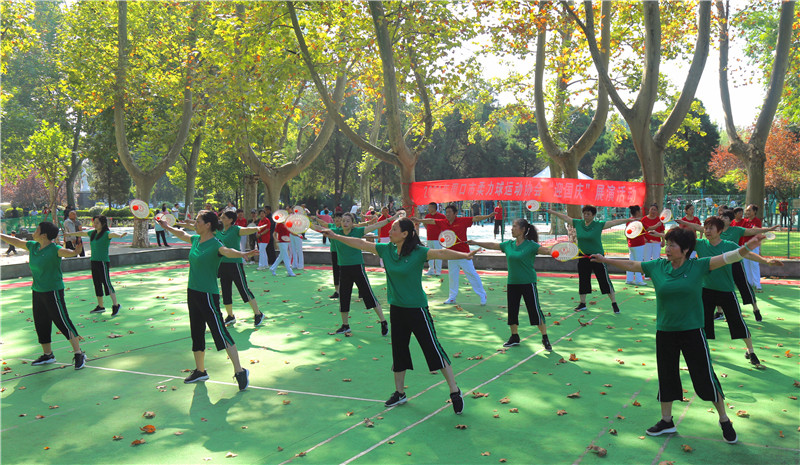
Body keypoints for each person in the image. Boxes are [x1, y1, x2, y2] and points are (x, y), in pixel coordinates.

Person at [591, 228, 768, 445]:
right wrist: (604, 260)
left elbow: (728, 257)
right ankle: (667, 421)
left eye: (672, 245)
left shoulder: (698, 266)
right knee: (667, 375)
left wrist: (748, 247)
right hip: (665, 331)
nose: (667, 248)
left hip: (693, 331)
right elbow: (632, 265)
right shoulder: (658, 266)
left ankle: (724, 419)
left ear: (685, 250)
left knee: (705, 377)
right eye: (667, 244)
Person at [318, 217, 480, 415]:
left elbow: (441, 252)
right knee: (399, 351)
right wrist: (335, 236)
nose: (390, 231)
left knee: (433, 350)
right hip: (396, 309)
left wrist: (465, 255)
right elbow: (360, 243)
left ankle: (454, 391)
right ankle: (400, 393)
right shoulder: (387, 250)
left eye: (394, 229)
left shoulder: (418, 252)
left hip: (417, 309)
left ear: (405, 234)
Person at [157, 211, 256, 390]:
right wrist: (167, 226)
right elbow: (182, 234)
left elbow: (228, 252)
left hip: (208, 295)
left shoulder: (216, 244)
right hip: (192, 292)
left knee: (220, 332)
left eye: (198, 221)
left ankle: (240, 371)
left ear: (208, 224)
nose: (195, 224)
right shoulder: (196, 240)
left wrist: (243, 253)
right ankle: (200, 371)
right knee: (196, 331)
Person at [691, 217, 781, 367]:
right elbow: (679, 241)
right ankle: (702, 352)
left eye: (711, 228)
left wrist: (766, 261)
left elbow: (747, 254)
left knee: (737, 322)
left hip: (726, 291)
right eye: (705, 228)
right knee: (702, 323)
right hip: (706, 291)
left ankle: (751, 351)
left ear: (720, 231)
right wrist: (660, 235)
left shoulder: (729, 245)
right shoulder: (699, 244)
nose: (707, 231)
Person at [0, 222, 87, 369]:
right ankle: (48, 355)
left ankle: (79, 353)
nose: (33, 232)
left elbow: (67, 252)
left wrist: (74, 252)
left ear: (44, 235)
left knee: (62, 321)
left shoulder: (55, 249)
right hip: (37, 291)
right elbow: (16, 241)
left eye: (37, 230)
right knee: (41, 323)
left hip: (53, 291)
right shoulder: (33, 246)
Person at [469, 218, 554, 350]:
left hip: (528, 283)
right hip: (512, 283)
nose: (512, 228)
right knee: (512, 311)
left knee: (535, 311)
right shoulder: (508, 244)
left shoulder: (531, 245)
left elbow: (546, 251)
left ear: (523, 229)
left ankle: (545, 337)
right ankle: (514, 336)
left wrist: (558, 251)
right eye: (512, 226)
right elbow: (493, 245)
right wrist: (475, 242)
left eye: (514, 226)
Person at [678, 211, 777, 321]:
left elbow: (751, 237)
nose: (722, 218)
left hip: (734, 262)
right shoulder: (706, 235)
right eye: (721, 216)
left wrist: (766, 259)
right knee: (713, 285)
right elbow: (694, 230)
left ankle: (755, 308)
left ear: (730, 220)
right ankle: (720, 312)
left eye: (725, 217)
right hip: (712, 274)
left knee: (743, 286)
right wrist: (682, 223)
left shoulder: (734, 232)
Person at [547, 205, 629, 313]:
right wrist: (553, 212)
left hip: (598, 257)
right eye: (584, 213)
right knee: (583, 280)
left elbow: (614, 222)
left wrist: (629, 220)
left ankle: (614, 303)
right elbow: (566, 218)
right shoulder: (578, 223)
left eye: (588, 214)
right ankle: (582, 304)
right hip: (583, 256)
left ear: (593, 215)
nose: (586, 216)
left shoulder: (599, 225)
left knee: (604, 280)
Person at [325, 212, 397, 335]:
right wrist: (305, 222)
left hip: (357, 268)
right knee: (344, 297)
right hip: (344, 269)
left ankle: (383, 321)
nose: (345, 223)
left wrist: (391, 219)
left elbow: (376, 225)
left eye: (348, 221)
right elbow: (319, 227)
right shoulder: (335, 232)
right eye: (343, 220)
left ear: (352, 223)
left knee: (368, 295)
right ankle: (345, 325)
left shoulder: (357, 231)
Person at [417, 204, 495, 305]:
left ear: (455, 213)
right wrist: (418, 220)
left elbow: (476, 218)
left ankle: (482, 295)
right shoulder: (443, 222)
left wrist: (488, 216)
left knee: (472, 274)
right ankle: (452, 297)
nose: (447, 214)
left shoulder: (462, 221)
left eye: (450, 212)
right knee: (452, 276)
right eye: (446, 212)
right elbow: (431, 221)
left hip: (464, 254)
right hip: (451, 255)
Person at [217, 211, 268, 328]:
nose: (221, 219)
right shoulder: (219, 229)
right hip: (222, 264)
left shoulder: (235, 229)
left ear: (231, 220)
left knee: (243, 289)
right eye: (221, 217)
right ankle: (230, 316)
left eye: (224, 217)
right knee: (225, 291)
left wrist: (257, 228)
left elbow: (247, 230)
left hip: (235, 264)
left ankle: (258, 314)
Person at [70, 215, 127, 315]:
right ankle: (100, 306)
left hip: (103, 262)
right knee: (97, 284)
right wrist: (69, 234)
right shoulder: (93, 233)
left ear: (103, 224)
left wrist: (120, 236)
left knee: (106, 283)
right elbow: (82, 233)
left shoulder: (106, 234)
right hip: (94, 261)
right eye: (94, 222)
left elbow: (112, 234)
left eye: (97, 223)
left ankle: (116, 305)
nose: (95, 224)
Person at [741, 205, 763, 292]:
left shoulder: (757, 221)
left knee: (754, 264)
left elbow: (757, 232)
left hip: (753, 245)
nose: (747, 212)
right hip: (744, 245)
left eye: (749, 210)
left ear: (754, 211)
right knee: (746, 264)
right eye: (747, 210)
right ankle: (749, 283)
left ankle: (757, 284)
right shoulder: (745, 221)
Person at [625, 205, 646, 286]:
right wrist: (658, 225)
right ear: (637, 212)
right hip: (638, 244)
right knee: (638, 262)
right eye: (640, 210)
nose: (641, 212)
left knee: (631, 261)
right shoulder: (638, 222)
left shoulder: (629, 221)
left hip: (631, 244)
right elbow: (648, 228)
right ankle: (639, 280)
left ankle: (629, 279)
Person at [423, 202, 446, 276]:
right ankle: (431, 270)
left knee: (438, 254)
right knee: (430, 255)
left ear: (434, 208)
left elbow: (445, 225)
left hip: (438, 239)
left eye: (430, 207)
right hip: (429, 238)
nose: (428, 209)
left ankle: (438, 271)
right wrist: (428, 229)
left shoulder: (441, 216)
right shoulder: (427, 216)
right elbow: (424, 223)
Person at [289, 205, 305, 271]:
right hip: (291, 234)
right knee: (293, 250)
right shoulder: (290, 216)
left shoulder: (300, 217)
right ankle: (294, 264)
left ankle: (300, 265)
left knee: (299, 250)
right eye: (293, 209)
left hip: (298, 234)